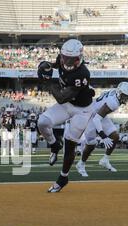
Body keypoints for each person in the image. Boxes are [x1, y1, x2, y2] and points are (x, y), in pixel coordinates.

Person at [37, 39, 95, 193]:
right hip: (68, 105)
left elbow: (62, 97)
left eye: (71, 59)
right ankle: (55, 144)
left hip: (82, 109)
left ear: (79, 58)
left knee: (70, 144)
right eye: (65, 58)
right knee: (42, 122)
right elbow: (55, 65)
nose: (67, 62)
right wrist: (46, 65)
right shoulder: (62, 59)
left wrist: (47, 81)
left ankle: (63, 178)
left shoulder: (82, 73)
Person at [76, 82, 128, 177]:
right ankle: (81, 164)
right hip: (90, 115)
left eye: (127, 97)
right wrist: (103, 136)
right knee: (91, 144)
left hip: (99, 114)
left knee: (115, 136)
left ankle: (105, 160)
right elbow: (96, 119)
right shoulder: (114, 102)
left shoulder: (114, 93)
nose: (126, 99)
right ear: (119, 93)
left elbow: (100, 113)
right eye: (124, 96)